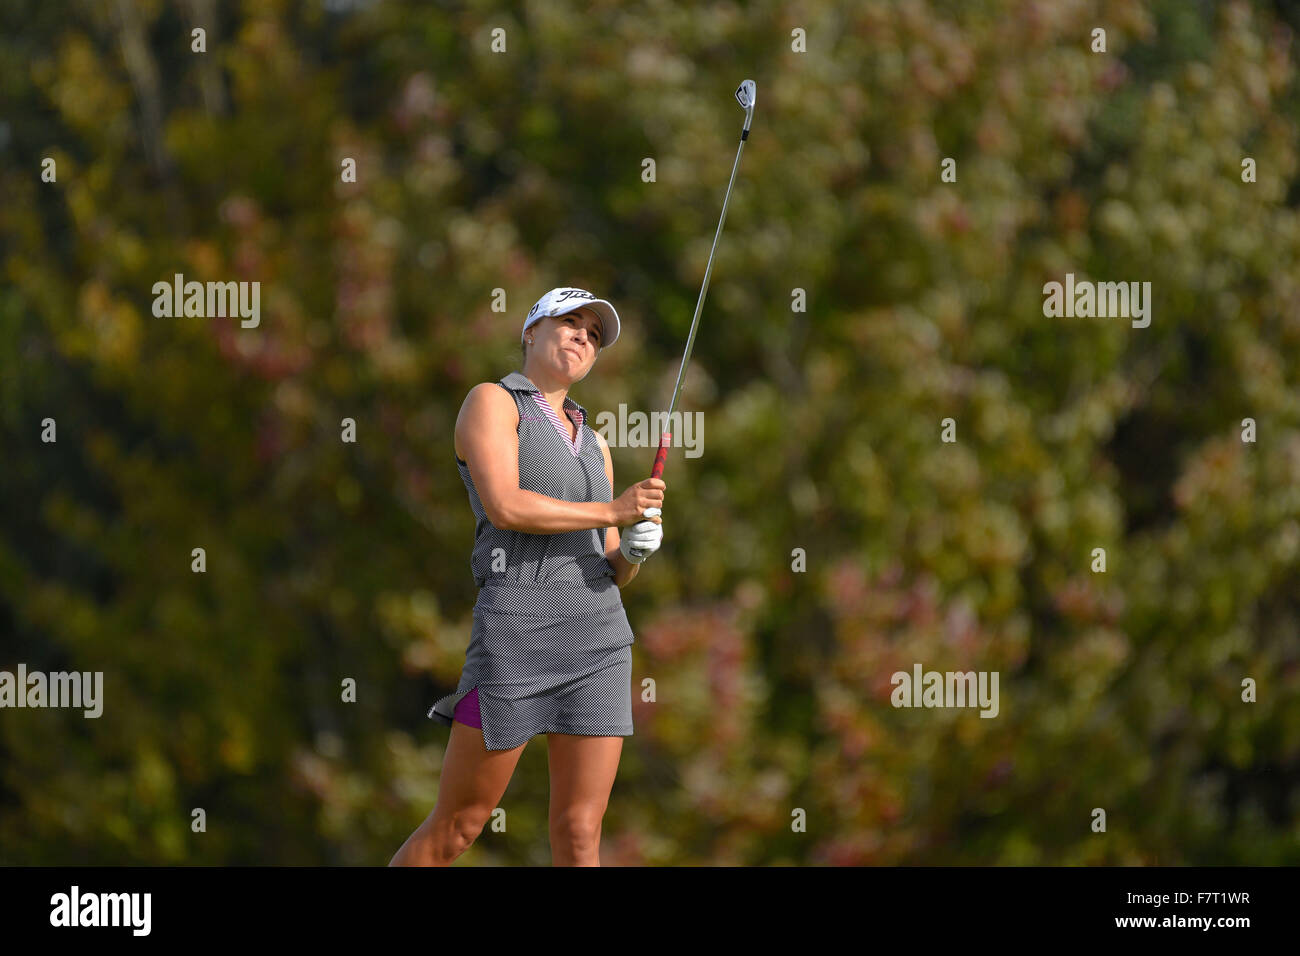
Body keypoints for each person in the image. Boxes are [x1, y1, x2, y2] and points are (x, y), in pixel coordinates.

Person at [389, 287, 666, 867]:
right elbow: (506, 506)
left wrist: (632, 552)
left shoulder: (595, 444)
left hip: (599, 640)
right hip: (515, 634)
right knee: (458, 827)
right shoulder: (493, 402)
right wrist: (614, 512)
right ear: (530, 332)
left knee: (580, 833)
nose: (582, 337)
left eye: (593, 334)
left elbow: (610, 566)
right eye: (569, 323)